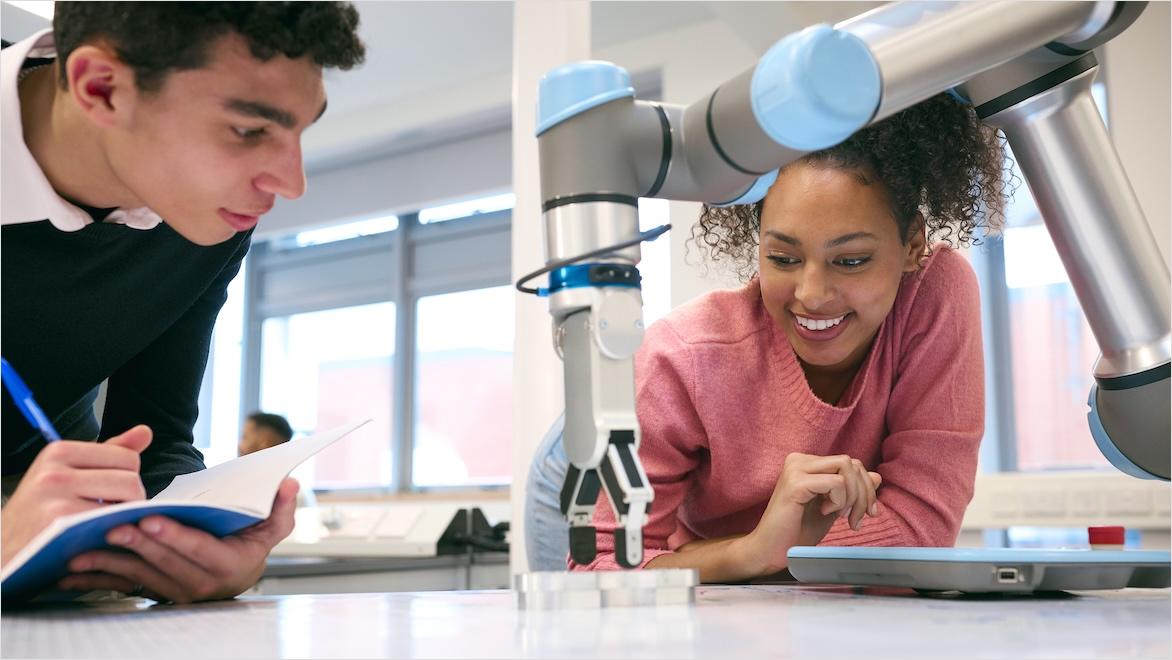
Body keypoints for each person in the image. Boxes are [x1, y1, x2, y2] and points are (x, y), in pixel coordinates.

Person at [558, 93, 1010, 581]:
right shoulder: (680, 359)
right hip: (611, 432)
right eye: (783, 258)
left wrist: (791, 555)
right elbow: (598, 567)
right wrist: (756, 552)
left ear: (912, 245)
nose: (812, 296)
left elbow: (923, 526)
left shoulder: (933, 294)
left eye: (851, 260)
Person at [1, 2, 364, 603]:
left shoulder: (204, 220)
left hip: (53, 515)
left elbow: (158, 438)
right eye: (249, 130)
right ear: (102, 88)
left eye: (301, 130)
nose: (292, 184)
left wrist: (199, 544)